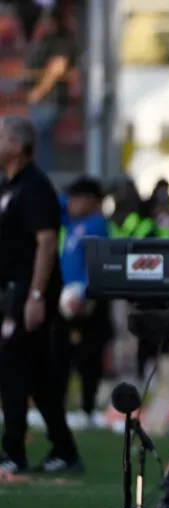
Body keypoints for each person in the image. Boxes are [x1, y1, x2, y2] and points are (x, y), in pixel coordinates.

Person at [0, 115, 82, 474]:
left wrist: (35, 295)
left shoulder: (35, 188)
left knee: (13, 367)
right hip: (12, 289)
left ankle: (13, 452)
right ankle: (64, 448)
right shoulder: (9, 186)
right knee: (37, 374)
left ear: (17, 145)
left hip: (29, 291)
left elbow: (46, 243)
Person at [57, 176, 112, 431]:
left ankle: (87, 408)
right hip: (67, 300)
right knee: (65, 356)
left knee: (88, 355)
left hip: (87, 301)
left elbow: (98, 264)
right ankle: (67, 406)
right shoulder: (71, 224)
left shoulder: (96, 226)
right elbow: (54, 205)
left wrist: (84, 293)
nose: (71, 204)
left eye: (76, 199)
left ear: (91, 201)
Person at [23, 5, 77, 172]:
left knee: (38, 139)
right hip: (41, 102)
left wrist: (37, 92)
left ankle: (41, 175)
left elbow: (56, 69)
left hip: (49, 101)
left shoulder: (62, 41)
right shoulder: (45, 40)